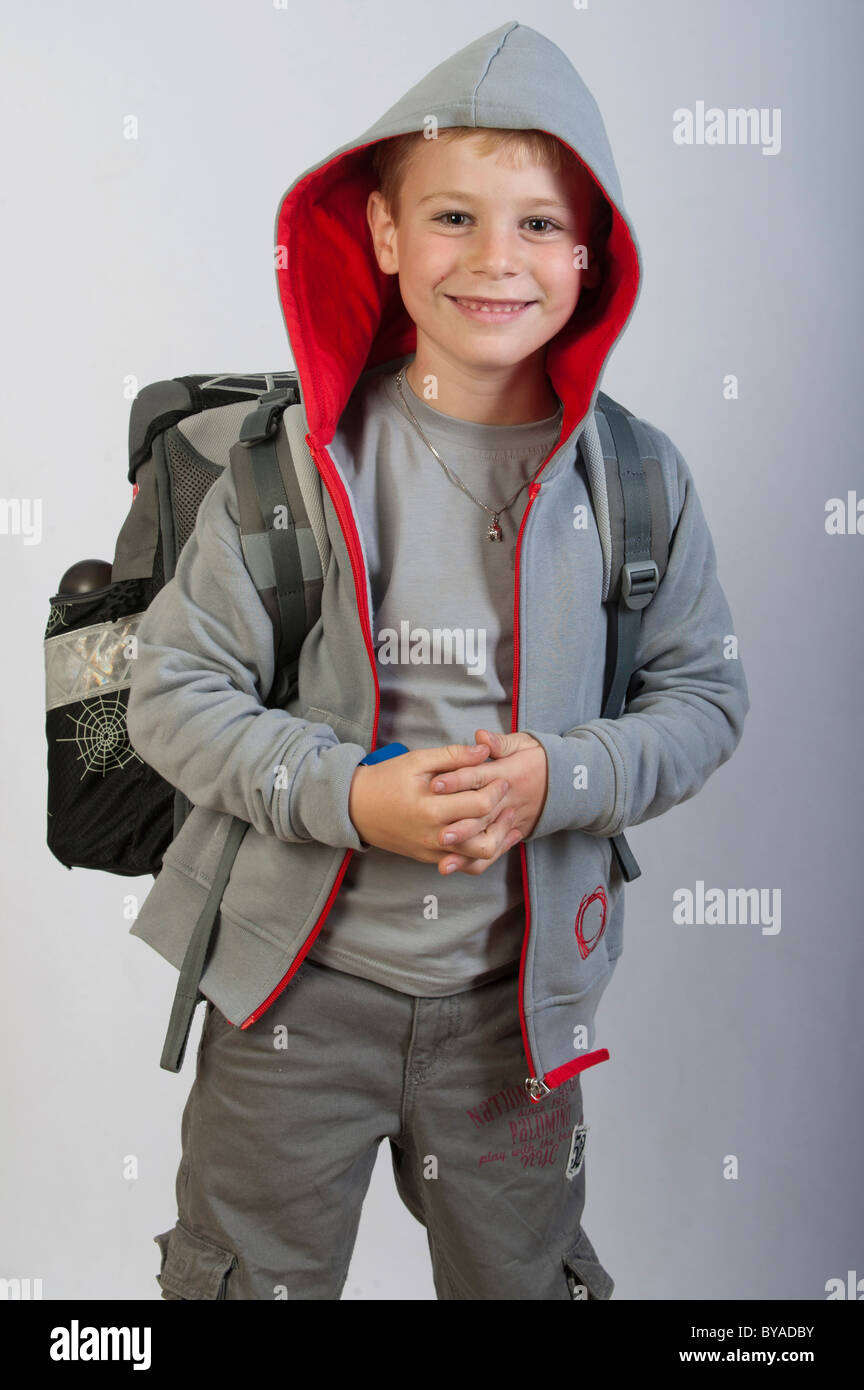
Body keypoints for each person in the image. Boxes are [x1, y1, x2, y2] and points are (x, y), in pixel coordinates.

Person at [126, 20, 749, 1300]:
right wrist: (351, 794)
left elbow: (704, 697)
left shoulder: (637, 481)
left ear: (588, 254)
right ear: (386, 236)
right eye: (453, 217)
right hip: (295, 1000)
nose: (494, 260)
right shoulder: (288, 464)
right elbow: (172, 694)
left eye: (535, 225)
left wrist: (562, 778)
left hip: (515, 1014)